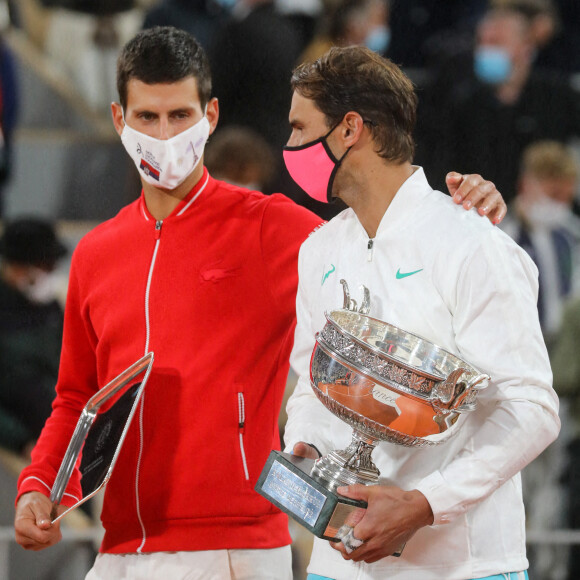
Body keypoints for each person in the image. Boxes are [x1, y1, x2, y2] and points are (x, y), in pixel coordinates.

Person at [13, 27, 507, 579]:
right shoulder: (95, 253)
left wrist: (464, 212)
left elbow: (383, 245)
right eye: (147, 118)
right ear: (118, 120)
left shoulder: (271, 227)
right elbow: (76, 397)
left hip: (236, 549)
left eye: (180, 116)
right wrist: (39, 485)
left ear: (212, 115)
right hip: (120, 546)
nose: (164, 134)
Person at [283, 46, 559, 579]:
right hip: (339, 564)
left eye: (298, 128)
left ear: (349, 129)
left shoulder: (472, 242)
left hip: (462, 565)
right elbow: (308, 386)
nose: (289, 146)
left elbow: (530, 408)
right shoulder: (317, 249)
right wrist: (310, 455)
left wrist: (424, 503)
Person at [501, 140, 580, 342]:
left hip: (565, 342)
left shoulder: (570, 234)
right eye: (554, 195)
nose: (561, 205)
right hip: (522, 340)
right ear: (526, 185)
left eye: (567, 197)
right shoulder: (506, 237)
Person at [0, 217, 67, 457]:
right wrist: (21, 442)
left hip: (66, 441)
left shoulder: (50, 308)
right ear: (18, 268)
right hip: (22, 454)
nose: (51, 276)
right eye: (45, 267)